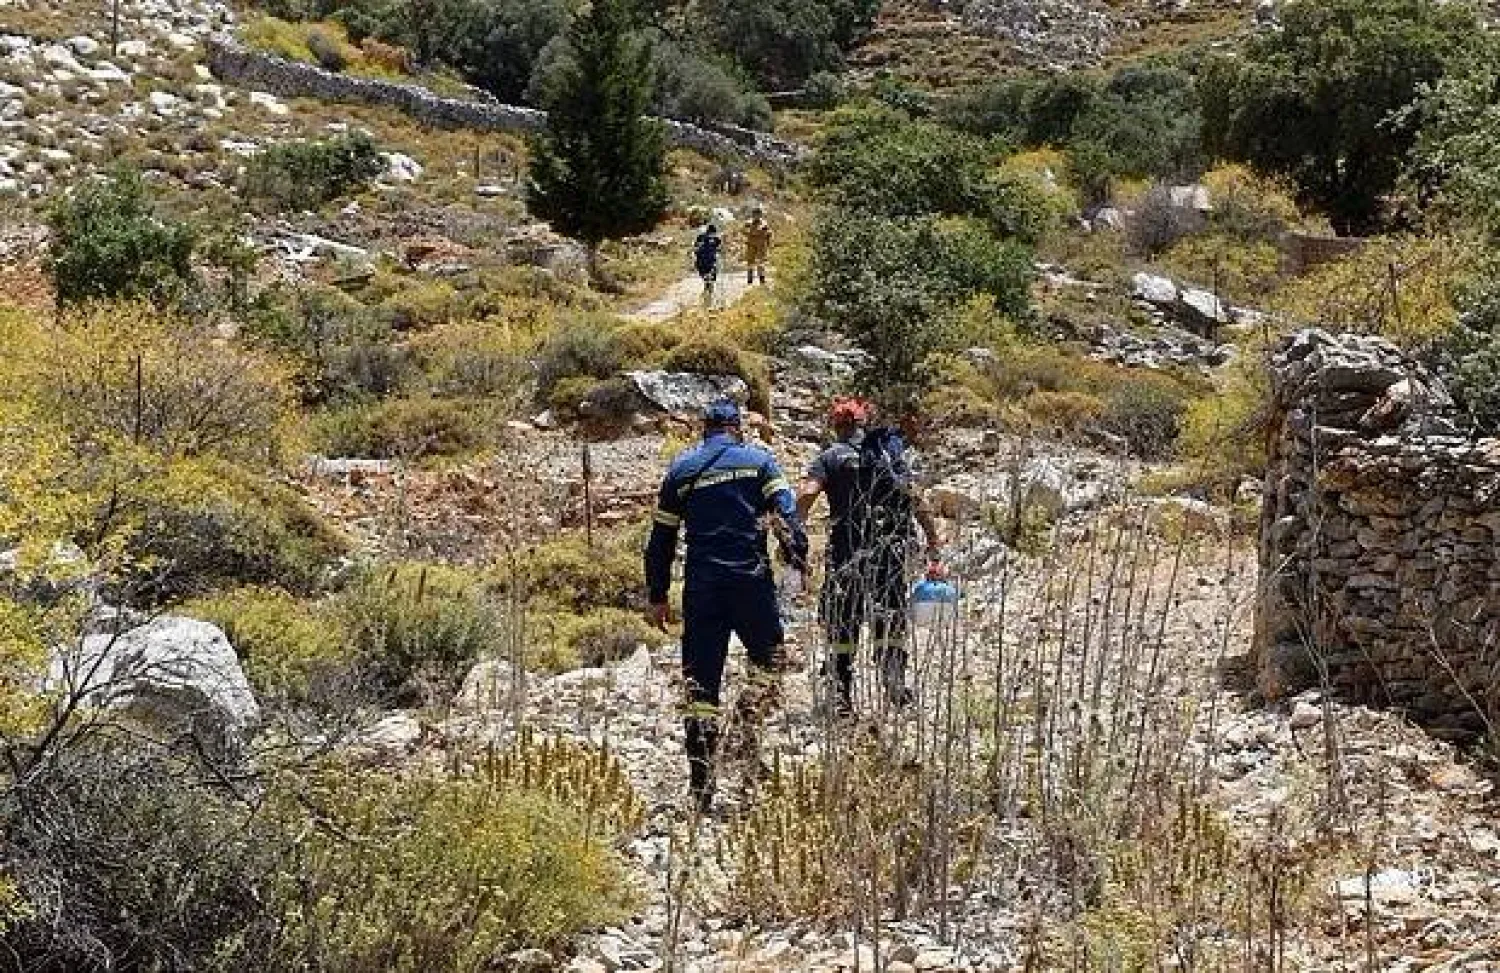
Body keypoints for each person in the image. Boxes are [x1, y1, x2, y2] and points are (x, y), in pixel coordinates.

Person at [645, 399, 809, 813]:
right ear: (737, 427)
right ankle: (747, 738)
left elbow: (660, 541)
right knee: (770, 664)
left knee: (700, 687)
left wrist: (658, 595)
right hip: (751, 583)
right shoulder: (760, 463)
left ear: (705, 429)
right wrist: (797, 563)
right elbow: (788, 516)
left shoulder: (681, 471)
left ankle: (701, 787)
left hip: (702, 589)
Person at [797, 398, 942, 715]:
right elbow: (916, 500)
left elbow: (807, 494)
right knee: (890, 615)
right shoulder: (888, 455)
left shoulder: (831, 457)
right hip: (889, 553)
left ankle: (841, 693)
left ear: (837, 427)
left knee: (843, 622)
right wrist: (933, 542)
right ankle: (894, 682)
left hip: (847, 553)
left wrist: (795, 532)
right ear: (864, 424)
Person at [693, 223, 722, 308]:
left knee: (707, 280)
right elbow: (719, 250)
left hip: (701, 263)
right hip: (709, 262)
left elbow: (695, 249)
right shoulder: (716, 239)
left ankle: (707, 296)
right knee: (710, 280)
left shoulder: (700, 237)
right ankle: (708, 297)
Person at [744, 207, 772, 286]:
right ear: (753, 215)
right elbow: (744, 231)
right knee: (750, 262)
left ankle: (762, 280)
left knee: (761, 262)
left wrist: (767, 241)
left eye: (758, 214)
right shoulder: (748, 223)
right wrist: (756, 232)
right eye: (755, 214)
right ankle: (750, 280)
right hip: (751, 245)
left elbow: (769, 233)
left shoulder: (764, 223)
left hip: (761, 245)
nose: (757, 216)